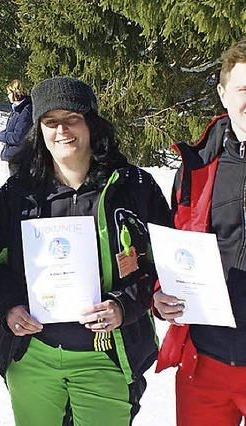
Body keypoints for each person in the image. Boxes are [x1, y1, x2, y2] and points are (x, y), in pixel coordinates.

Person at [0, 76, 171, 425]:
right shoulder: (18, 192)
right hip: (34, 356)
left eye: (72, 118)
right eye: (50, 121)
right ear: (38, 128)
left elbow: (161, 265)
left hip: (107, 355)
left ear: (91, 122)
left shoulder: (133, 186)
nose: (62, 130)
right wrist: (9, 308)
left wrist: (122, 305)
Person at [153, 39, 246, 426]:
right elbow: (176, 245)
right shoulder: (197, 166)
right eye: (244, 89)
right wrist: (161, 294)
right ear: (223, 93)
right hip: (205, 361)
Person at [0, 79, 33, 175]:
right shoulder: (16, 109)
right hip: (14, 156)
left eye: (9, 93)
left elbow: (18, 137)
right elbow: (10, 129)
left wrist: (1, 136)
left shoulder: (26, 111)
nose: (8, 96)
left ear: (15, 93)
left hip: (20, 158)